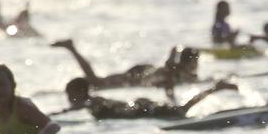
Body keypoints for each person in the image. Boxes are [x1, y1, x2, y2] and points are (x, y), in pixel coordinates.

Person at [51, 38, 199, 90]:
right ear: (189, 62)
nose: (197, 65)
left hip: (143, 73)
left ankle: (71, 48)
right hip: (137, 76)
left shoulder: (187, 75)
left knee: (96, 82)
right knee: (96, 82)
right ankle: (71, 48)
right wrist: (176, 50)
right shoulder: (175, 70)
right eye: (195, 62)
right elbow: (170, 65)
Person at [63, 77, 237, 121]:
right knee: (180, 110)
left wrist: (59, 113)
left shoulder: (90, 101)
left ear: (79, 92)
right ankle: (216, 88)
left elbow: (80, 106)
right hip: (139, 106)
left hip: (140, 109)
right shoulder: (95, 100)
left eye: (70, 95)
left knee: (180, 111)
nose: (69, 99)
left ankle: (216, 88)